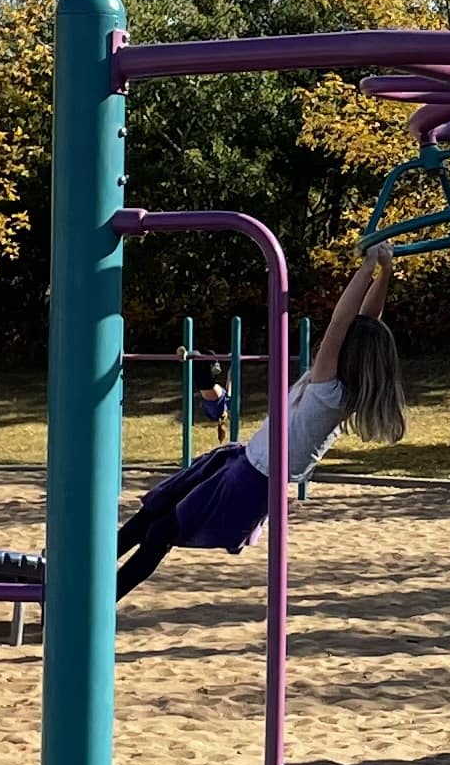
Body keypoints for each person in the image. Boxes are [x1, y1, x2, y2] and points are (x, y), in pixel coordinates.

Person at [116, 246, 406, 598]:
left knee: (159, 532)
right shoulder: (343, 386)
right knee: (156, 510)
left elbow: (341, 322)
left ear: (348, 352)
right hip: (242, 463)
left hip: (251, 480)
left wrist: (366, 268)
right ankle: (89, 573)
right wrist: (385, 270)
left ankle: (100, 597)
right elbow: (366, 321)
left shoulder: (328, 385)